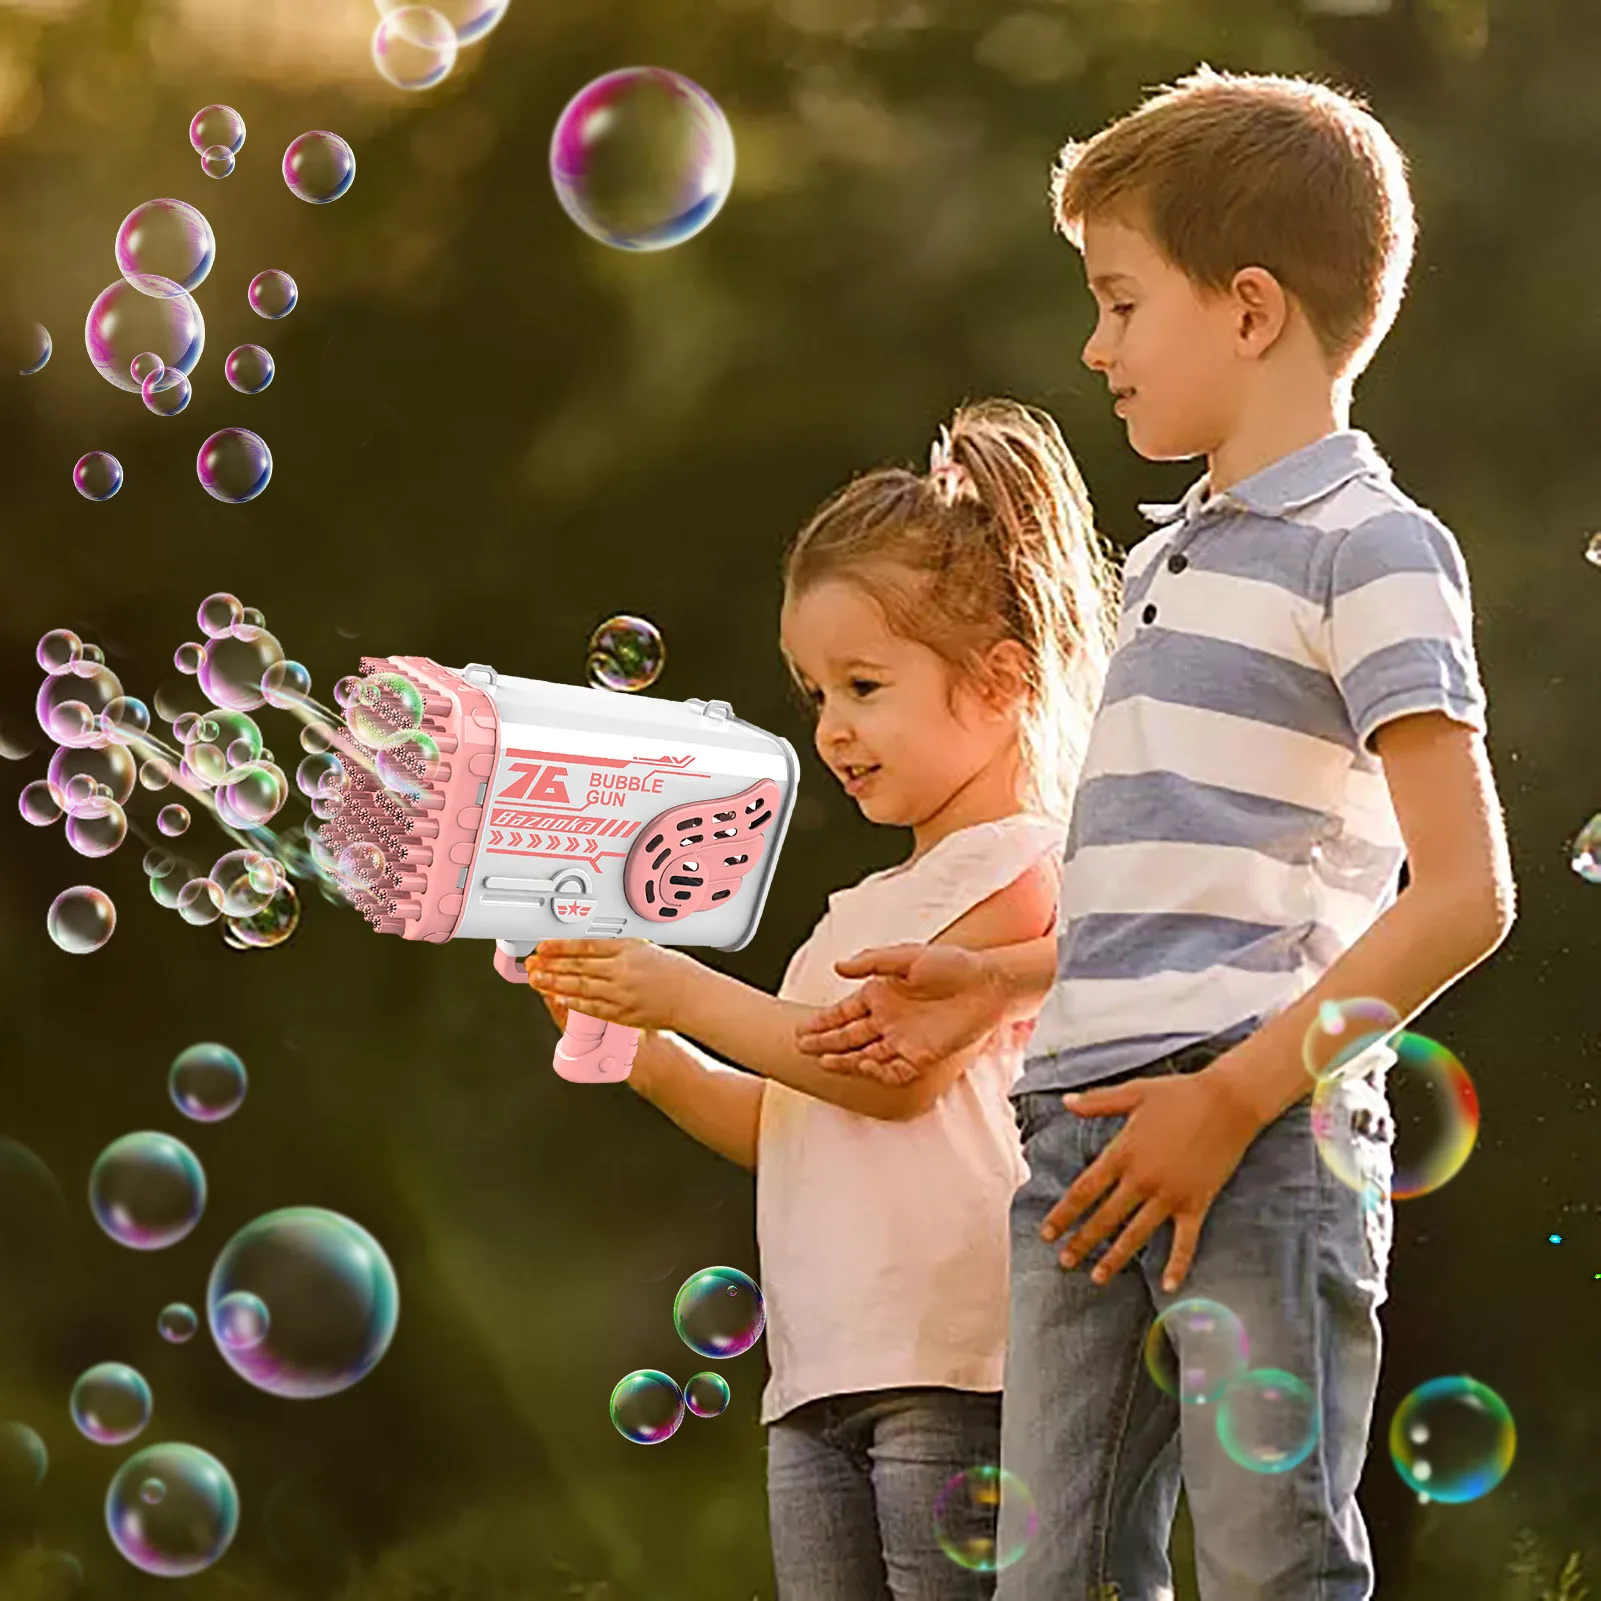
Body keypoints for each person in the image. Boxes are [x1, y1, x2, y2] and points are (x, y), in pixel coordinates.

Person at [796, 66, 1516, 1600]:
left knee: (1268, 1562)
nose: (1093, 346)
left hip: (1258, 1135)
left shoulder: (1372, 548)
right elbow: (1164, 900)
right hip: (1074, 1138)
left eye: (1121, 304)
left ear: (1248, 309)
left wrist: (1232, 1095)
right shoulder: (1166, 561)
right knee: (1051, 1581)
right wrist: (1000, 987)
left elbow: (1463, 895)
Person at [525, 397, 1120, 1600]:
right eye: (813, 695)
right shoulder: (851, 913)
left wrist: (680, 985)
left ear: (1001, 682)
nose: (833, 730)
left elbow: (884, 1078)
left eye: (862, 684)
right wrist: (642, 1045)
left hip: (952, 1364)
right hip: (815, 1371)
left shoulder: (1020, 867)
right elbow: (783, 1120)